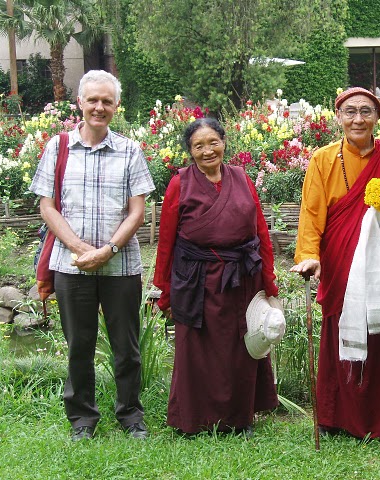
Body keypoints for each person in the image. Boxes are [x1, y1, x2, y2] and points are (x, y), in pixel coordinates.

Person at [291, 87, 380, 440]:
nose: (358, 119)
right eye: (350, 111)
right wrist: (309, 256)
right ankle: (335, 417)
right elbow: (312, 213)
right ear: (338, 117)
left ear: (377, 117)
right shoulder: (323, 159)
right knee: (341, 331)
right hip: (342, 262)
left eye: (366, 111)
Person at [30, 70, 155, 441]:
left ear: (117, 106)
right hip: (71, 266)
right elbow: (47, 207)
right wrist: (80, 248)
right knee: (79, 346)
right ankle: (82, 418)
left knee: (127, 347)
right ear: (80, 103)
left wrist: (108, 250)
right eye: (93, 100)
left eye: (107, 101)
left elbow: (137, 212)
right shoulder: (58, 148)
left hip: (122, 266)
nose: (99, 107)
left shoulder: (130, 150)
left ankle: (131, 415)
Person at [153, 118, 279, 436]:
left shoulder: (241, 178)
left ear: (224, 142)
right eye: (199, 146)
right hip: (196, 280)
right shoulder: (180, 184)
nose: (208, 151)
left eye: (213, 142)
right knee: (196, 351)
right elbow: (166, 242)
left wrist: (268, 278)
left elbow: (260, 231)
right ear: (190, 151)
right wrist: (165, 291)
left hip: (242, 278)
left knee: (239, 350)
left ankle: (240, 418)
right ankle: (194, 420)